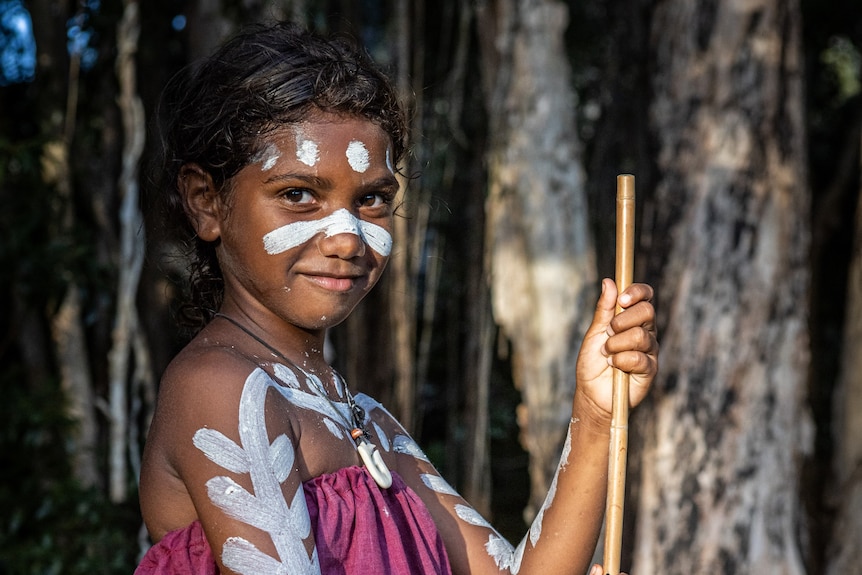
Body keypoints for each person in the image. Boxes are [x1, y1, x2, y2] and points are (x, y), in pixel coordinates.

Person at [136, 20, 658, 575]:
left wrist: (597, 414)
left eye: (372, 199)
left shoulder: (366, 421)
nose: (346, 237)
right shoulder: (220, 387)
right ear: (206, 203)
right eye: (298, 195)